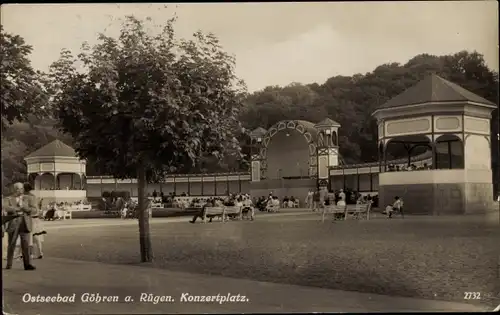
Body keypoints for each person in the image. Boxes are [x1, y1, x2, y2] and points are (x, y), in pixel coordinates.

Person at [3, 182, 36, 270]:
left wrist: (25, 207)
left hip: (25, 223)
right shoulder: (9, 198)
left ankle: (27, 264)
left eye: (21, 188)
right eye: (18, 188)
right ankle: (9, 264)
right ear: (14, 189)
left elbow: (34, 210)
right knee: (11, 244)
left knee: (25, 244)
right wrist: (17, 209)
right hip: (13, 223)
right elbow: (6, 207)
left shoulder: (29, 198)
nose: (20, 190)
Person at [24, 183, 46, 259]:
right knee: (37, 237)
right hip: (37, 219)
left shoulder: (26, 197)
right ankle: (40, 252)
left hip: (31, 219)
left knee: (30, 237)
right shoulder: (34, 196)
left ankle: (31, 254)